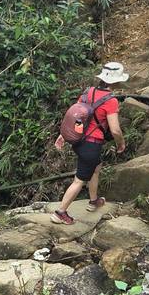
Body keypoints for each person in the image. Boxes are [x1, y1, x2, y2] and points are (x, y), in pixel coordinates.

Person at [51, 62, 128, 225]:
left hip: (79, 141)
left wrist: (64, 135)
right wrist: (120, 143)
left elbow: (77, 116)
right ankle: (60, 213)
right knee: (79, 180)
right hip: (91, 145)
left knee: (96, 167)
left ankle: (93, 201)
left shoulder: (88, 92)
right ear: (116, 81)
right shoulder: (111, 101)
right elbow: (115, 130)